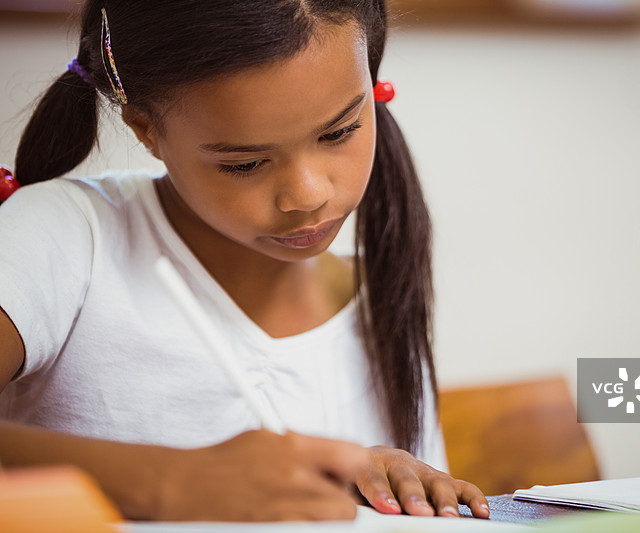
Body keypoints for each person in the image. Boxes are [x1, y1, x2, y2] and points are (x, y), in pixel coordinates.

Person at [0, 0, 490, 522]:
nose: (306, 195)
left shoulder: (376, 291)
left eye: (339, 132)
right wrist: (173, 482)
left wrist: (381, 490)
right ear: (146, 131)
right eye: (246, 163)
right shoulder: (66, 234)